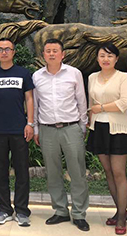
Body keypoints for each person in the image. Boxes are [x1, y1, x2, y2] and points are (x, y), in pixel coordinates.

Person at [33, 38, 90, 231]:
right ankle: (60, 211)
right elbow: (35, 104)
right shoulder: (37, 76)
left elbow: (81, 100)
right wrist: (35, 128)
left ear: (62, 54)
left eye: (55, 50)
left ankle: (79, 213)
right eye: (48, 51)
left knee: (77, 172)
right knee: (53, 172)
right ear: (43, 55)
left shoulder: (74, 73)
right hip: (47, 129)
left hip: (71, 128)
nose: (51, 54)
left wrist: (82, 126)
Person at [86, 43, 127, 235]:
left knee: (118, 173)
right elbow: (90, 103)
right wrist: (90, 120)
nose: (105, 59)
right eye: (102, 55)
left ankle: (121, 218)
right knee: (108, 172)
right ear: (97, 58)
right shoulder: (92, 77)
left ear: (116, 58)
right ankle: (120, 210)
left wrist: (101, 108)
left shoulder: (124, 77)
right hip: (98, 128)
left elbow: (125, 103)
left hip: (119, 129)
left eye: (109, 56)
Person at [0, 38, 35, 227]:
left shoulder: (23, 73)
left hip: (19, 130)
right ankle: (4, 209)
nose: (4, 52)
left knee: (22, 171)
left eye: (7, 49)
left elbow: (29, 99)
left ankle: (22, 211)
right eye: (0, 49)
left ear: (14, 52)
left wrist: (30, 123)